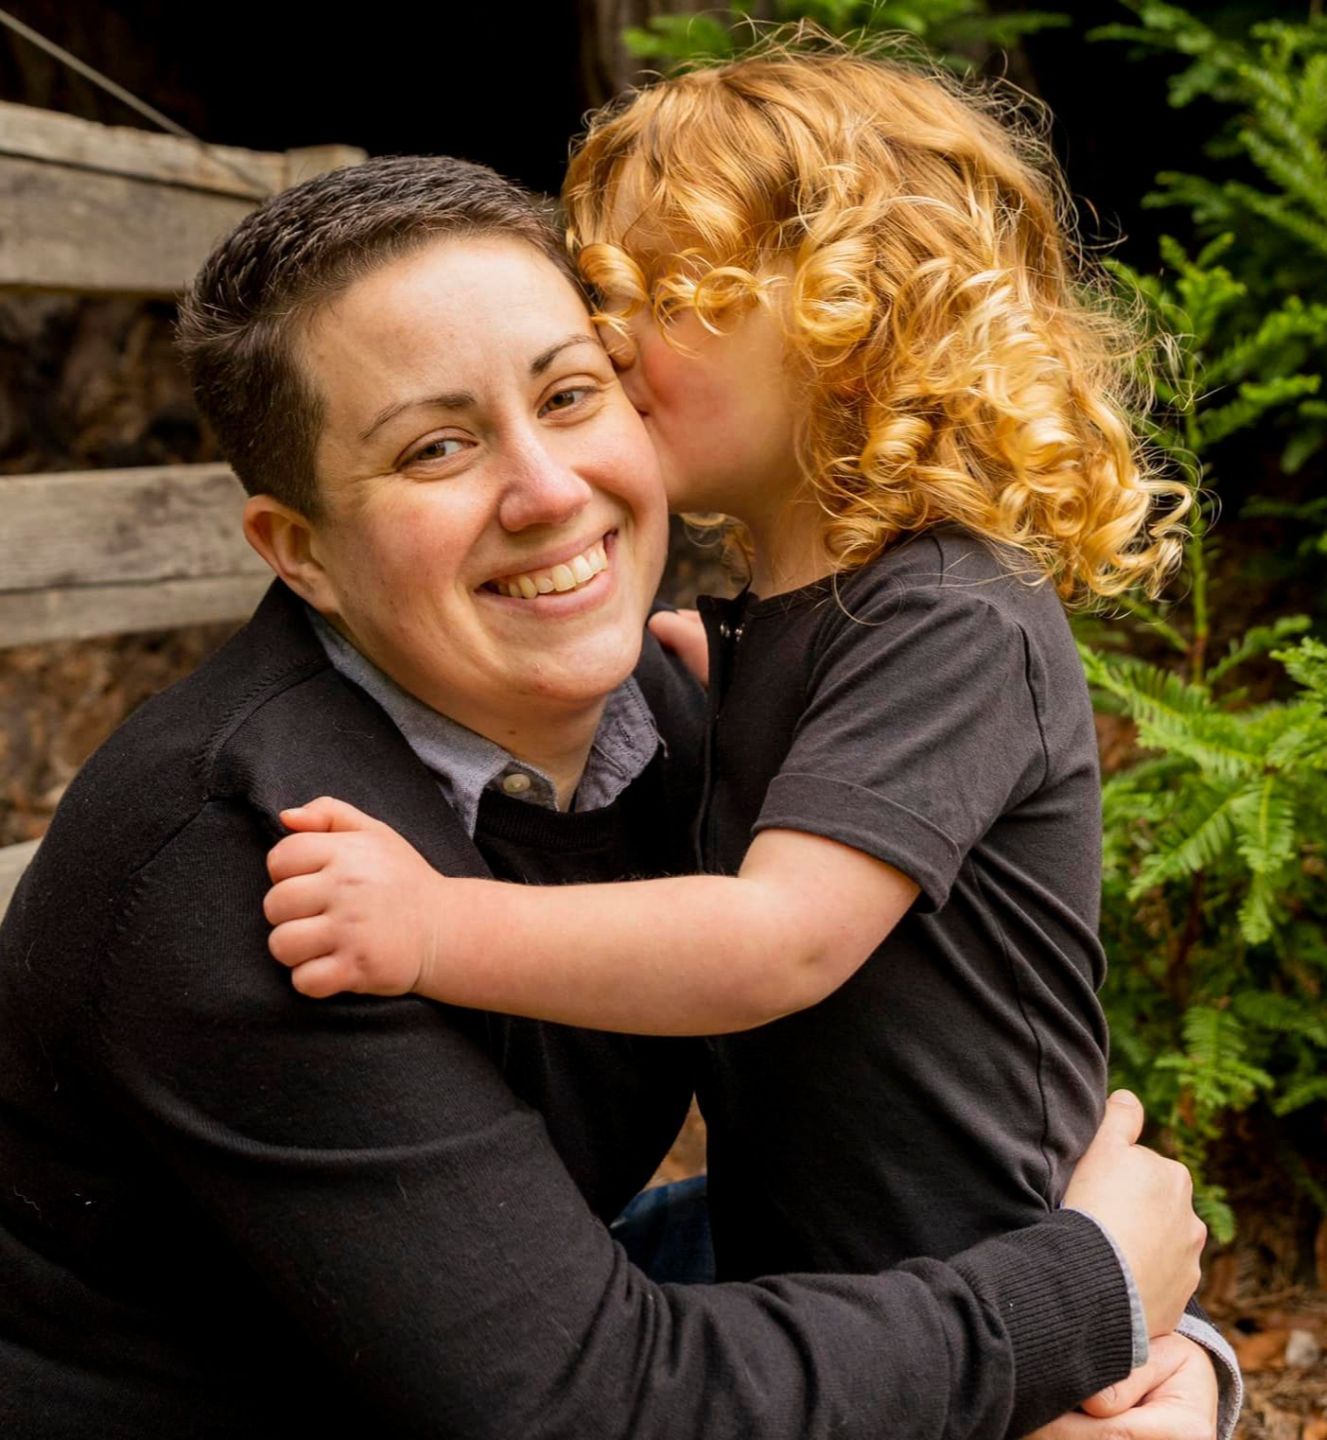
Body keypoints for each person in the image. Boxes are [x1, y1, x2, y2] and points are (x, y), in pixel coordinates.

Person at [0, 155, 1205, 1440]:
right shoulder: (262, 867)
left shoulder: (678, 721)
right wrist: (1079, 1297)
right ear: (301, 552)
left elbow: (898, 1115)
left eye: (570, 395)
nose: (547, 491)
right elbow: (590, 1405)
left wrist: (1141, 1360)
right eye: (436, 447)